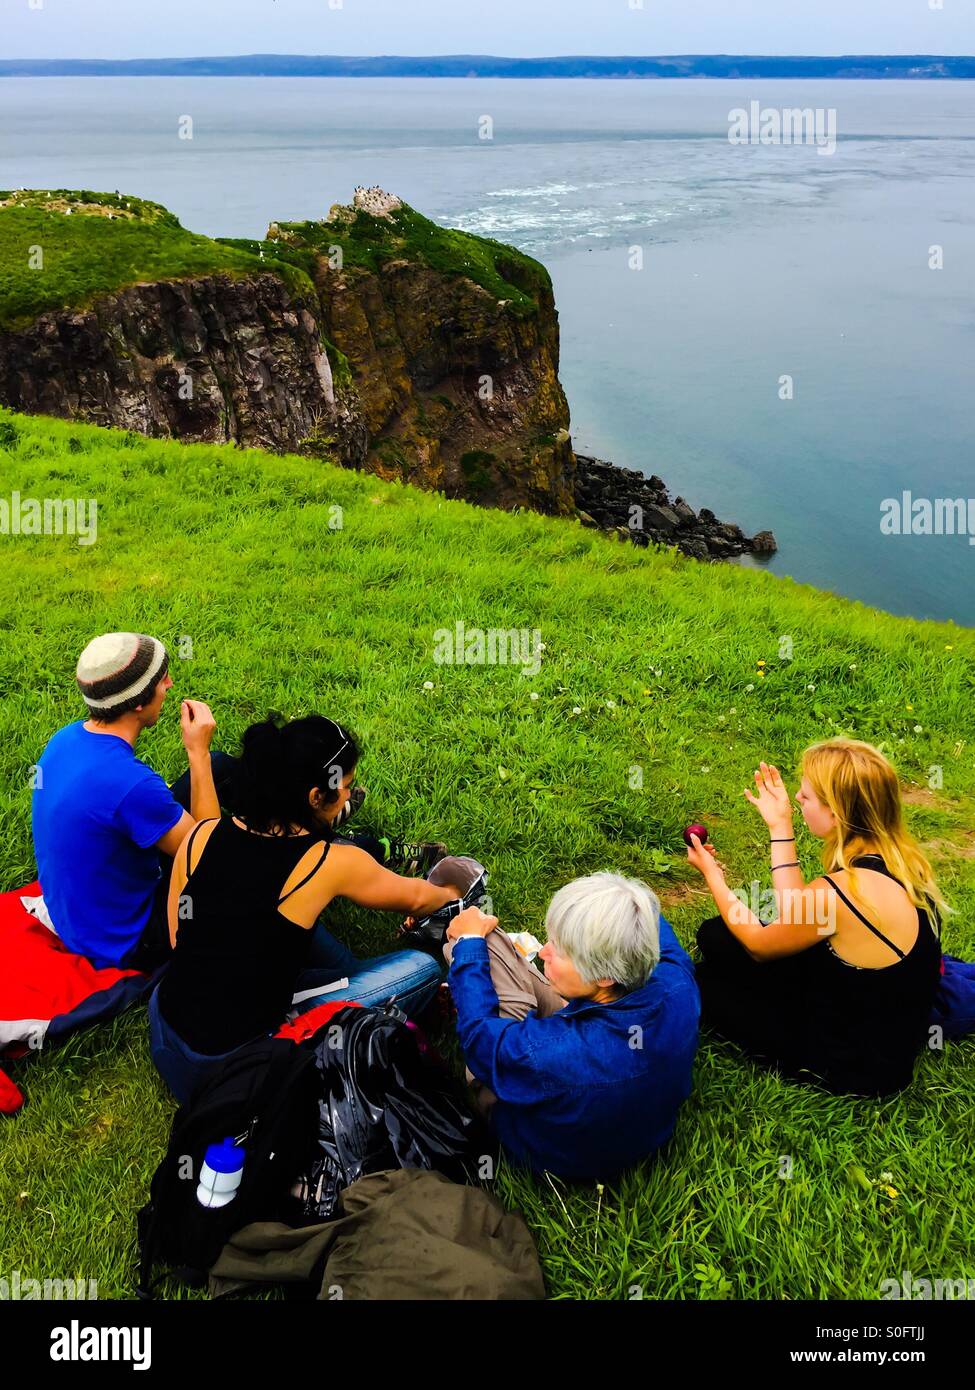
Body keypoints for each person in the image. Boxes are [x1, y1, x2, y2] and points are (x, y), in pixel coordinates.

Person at [149, 714, 465, 1103]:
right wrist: (454, 892)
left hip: (164, 1027)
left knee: (285, 923)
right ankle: (363, 1001)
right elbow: (417, 897)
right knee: (422, 969)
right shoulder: (326, 862)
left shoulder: (201, 834)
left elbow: (181, 941)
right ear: (316, 796)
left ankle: (344, 977)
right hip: (227, 1067)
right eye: (345, 788)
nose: (349, 797)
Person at [690, 739, 946, 1098]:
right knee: (717, 936)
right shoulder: (904, 862)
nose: (796, 798)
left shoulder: (843, 892)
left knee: (704, 982)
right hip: (882, 1024)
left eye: (807, 797)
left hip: (855, 1064)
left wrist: (712, 875)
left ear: (837, 812)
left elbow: (760, 947)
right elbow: (798, 914)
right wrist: (780, 826)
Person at [442, 872, 700, 1180]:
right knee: (488, 942)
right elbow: (653, 920)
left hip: (545, 1150)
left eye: (561, 951)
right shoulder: (679, 986)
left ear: (605, 976)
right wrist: (614, 905)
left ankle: (468, 953)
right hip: (632, 1126)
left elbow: (480, 1041)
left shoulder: (552, 1054)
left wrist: (468, 945)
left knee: (474, 943)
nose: (543, 952)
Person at [31, 632, 224, 971]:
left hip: (81, 919)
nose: (170, 684)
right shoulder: (131, 785)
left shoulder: (66, 738)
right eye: (162, 679)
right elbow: (208, 860)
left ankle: (294, 810)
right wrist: (198, 752)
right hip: (125, 941)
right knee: (236, 872)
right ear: (138, 702)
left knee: (221, 767)